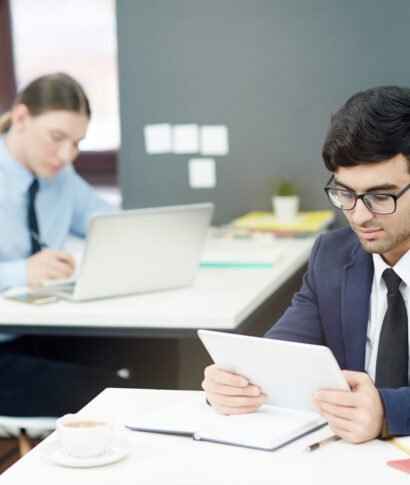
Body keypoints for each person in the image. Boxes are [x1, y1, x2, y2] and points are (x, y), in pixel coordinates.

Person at [202, 85, 410, 444]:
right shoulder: (332, 255)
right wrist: (230, 385)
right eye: (345, 193)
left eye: (380, 196)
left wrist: (389, 411)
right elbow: (279, 357)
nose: (359, 216)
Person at [0, 73, 134, 416]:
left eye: (76, 143)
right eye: (57, 137)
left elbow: (109, 225)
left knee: (151, 350)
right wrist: (22, 271)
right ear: (21, 118)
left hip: (36, 332)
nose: (66, 154)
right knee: (113, 395)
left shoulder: (60, 177)